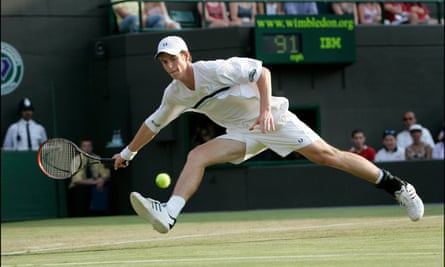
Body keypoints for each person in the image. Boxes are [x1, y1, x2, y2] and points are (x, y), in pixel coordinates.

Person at [112, 35, 424, 234]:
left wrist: (264, 111)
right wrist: (128, 153)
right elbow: (153, 124)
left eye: (173, 59)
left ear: (186, 56)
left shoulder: (216, 70)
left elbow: (263, 73)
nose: (169, 66)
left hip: (273, 118)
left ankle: (398, 187)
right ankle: (169, 214)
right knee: (198, 155)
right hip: (241, 133)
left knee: (327, 156)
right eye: (164, 62)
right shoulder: (175, 94)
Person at [67, 139, 111, 217]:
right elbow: (77, 180)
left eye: (89, 146)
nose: (87, 148)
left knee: (107, 186)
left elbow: (105, 173)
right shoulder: (76, 160)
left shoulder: (97, 158)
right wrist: (95, 182)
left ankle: (102, 215)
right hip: (80, 186)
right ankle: (81, 216)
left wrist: (102, 180)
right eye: (84, 146)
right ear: (80, 148)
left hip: (95, 184)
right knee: (81, 189)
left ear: (92, 147)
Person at [111, 0, 179, 33]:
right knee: (134, 19)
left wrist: (143, 17)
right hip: (125, 23)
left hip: (141, 19)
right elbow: (122, 13)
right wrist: (140, 19)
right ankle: (136, 40)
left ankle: (153, 37)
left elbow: (144, 10)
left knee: (160, 18)